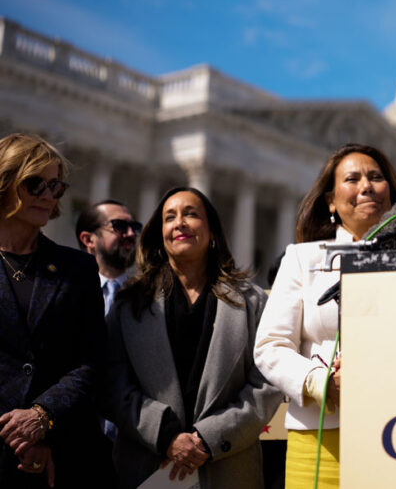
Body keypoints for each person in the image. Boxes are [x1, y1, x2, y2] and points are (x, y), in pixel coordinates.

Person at [103, 187, 282, 488]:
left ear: (212, 232)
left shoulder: (251, 301)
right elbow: (111, 380)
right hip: (149, 467)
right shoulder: (129, 303)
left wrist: (208, 439)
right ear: (161, 235)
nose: (180, 223)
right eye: (169, 217)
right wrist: (165, 435)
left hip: (228, 469)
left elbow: (267, 382)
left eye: (191, 214)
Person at [254, 144, 396, 489]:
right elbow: (270, 346)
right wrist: (319, 383)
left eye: (376, 177)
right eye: (352, 179)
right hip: (321, 434)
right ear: (331, 201)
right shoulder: (303, 259)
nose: (366, 186)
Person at [0, 133, 112, 488]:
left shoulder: (76, 269)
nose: (48, 196)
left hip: (63, 453)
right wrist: (17, 438)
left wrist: (42, 418)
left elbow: (92, 361)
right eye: (36, 184)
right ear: (5, 182)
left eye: (56, 187)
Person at [75, 200, 141, 315]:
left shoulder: (148, 298)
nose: (131, 234)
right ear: (88, 239)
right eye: (119, 226)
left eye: (134, 226)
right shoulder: (68, 293)